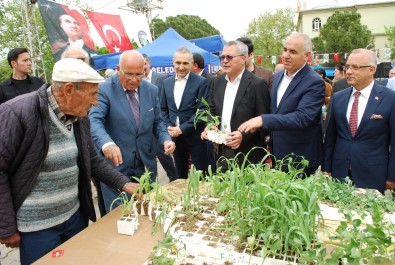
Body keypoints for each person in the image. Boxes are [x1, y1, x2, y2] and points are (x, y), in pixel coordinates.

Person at [0, 58, 139, 265]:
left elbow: (91, 158)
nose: (95, 102)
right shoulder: (17, 113)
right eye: (92, 94)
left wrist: (124, 183)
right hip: (36, 228)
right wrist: (6, 227)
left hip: (74, 217)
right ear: (68, 90)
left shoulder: (79, 116)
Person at [89, 50, 175, 213]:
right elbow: (94, 120)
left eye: (139, 74)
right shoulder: (104, 90)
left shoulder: (151, 90)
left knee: (148, 211)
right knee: (120, 215)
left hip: (145, 165)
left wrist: (165, 139)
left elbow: (158, 122)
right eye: (129, 74)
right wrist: (107, 143)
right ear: (118, 69)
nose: (134, 80)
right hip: (116, 167)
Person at [238, 33, 325, 177]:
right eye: (285, 49)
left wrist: (263, 120)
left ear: (307, 56)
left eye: (293, 52)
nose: (286, 55)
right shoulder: (278, 77)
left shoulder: (314, 82)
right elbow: (275, 110)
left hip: (300, 158)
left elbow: (302, 118)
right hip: (277, 154)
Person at [323, 49, 395, 193]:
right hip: (340, 173)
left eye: (355, 67)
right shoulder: (338, 98)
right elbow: (330, 137)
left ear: (371, 70)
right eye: (347, 67)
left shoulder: (389, 99)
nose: (348, 71)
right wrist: (326, 169)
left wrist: (392, 177)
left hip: (373, 174)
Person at [201, 40, 270, 170]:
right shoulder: (217, 82)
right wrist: (210, 126)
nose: (225, 61)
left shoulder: (257, 84)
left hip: (248, 154)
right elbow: (211, 110)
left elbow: (264, 121)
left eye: (229, 57)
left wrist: (243, 136)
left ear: (243, 58)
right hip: (221, 151)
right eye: (222, 57)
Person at [161, 47, 209, 179]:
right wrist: (169, 128)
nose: (181, 67)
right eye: (178, 63)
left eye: (185, 63)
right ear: (173, 62)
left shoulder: (201, 82)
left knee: (201, 176)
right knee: (180, 176)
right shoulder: (166, 83)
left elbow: (202, 111)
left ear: (192, 63)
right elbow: (163, 109)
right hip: (175, 139)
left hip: (195, 137)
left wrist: (182, 129)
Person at [142, 53, 178, 181]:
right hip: (143, 128)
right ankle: (152, 185)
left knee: (164, 154)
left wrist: (167, 122)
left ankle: (173, 177)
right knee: (148, 160)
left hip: (159, 124)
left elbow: (168, 101)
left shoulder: (161, 79)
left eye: (144, 63)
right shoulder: (137, 82)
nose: (142, 67)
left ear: (149, 63)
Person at [192, 52, 216, 172]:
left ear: (194, 65)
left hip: (208, 128)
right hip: (195, 131)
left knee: (210, 160)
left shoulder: (211, 80)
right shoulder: (191, 80)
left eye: (187, 63)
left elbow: (212, 106)